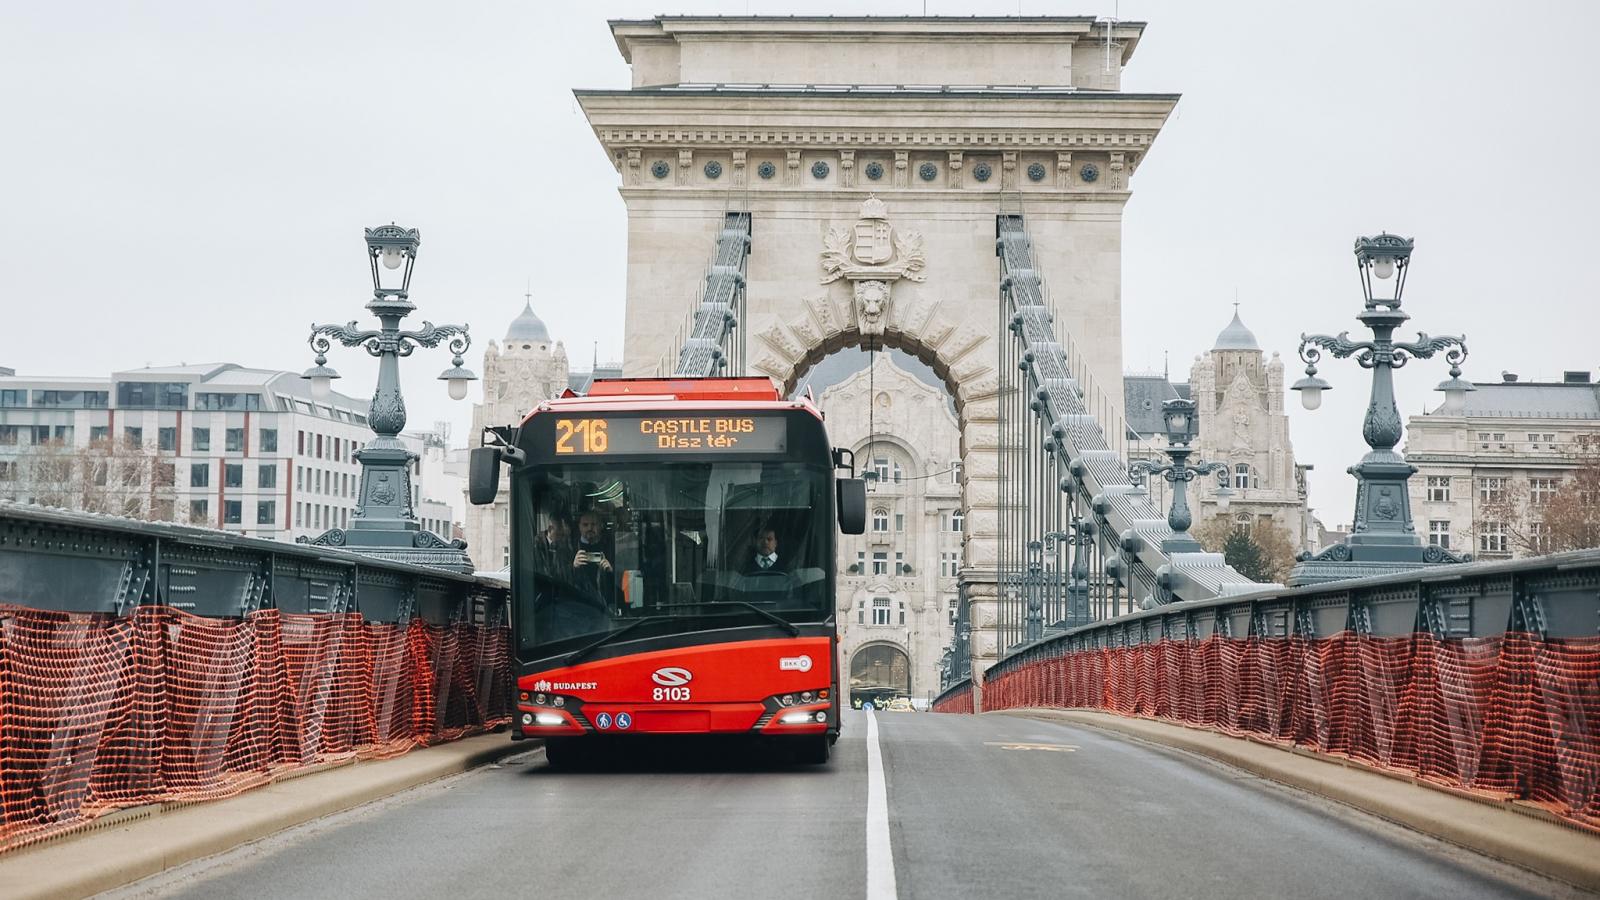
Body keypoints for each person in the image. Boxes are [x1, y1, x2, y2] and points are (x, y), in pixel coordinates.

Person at [571, 509, 616, 603]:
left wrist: (611, 571)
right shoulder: (570, 547)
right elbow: (559, 579)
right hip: (578, 603)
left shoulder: (612, 546)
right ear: (579, 527)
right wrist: (573, 567)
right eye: (585, 525)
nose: (589, 528)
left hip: (605, 604)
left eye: (593, 524)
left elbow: (622, 581)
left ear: (601, 526)